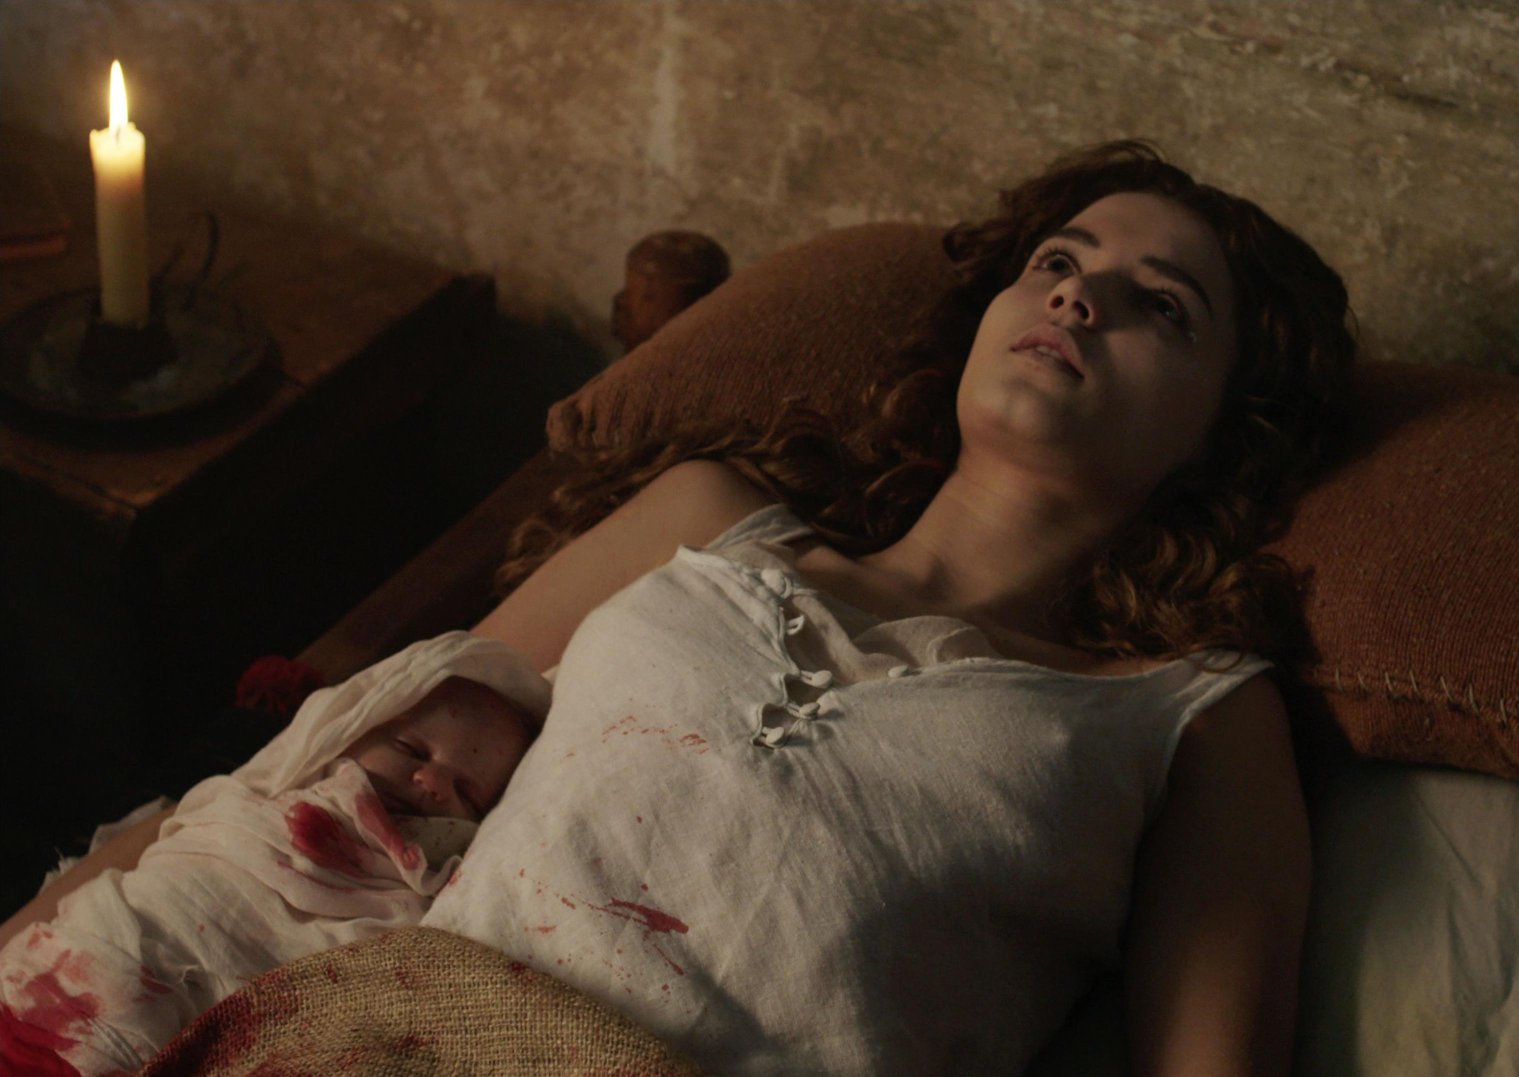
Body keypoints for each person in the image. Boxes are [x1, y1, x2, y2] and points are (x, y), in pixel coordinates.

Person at [430, 140, 1355, 1074]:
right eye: (1057, 262)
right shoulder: (708, 517)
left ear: (1227, 431)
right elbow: (394, 727)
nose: (1077, 297)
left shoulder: (1191, 716)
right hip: (407, 1022)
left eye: (1162, 305)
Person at [0, 632, 549, 1077]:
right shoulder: (249, 807)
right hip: (72, 980)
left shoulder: (416, 898)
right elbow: (179, 866)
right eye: (410, 749)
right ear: (346, 731)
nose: (431, 782)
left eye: (465, 792)